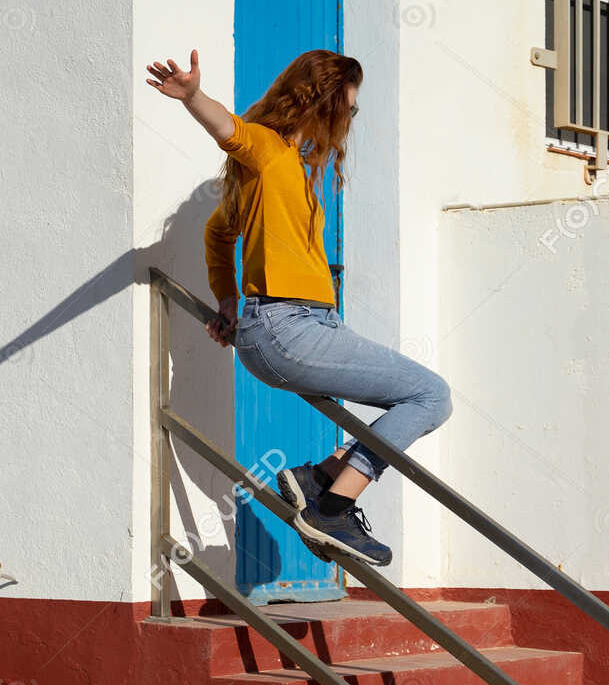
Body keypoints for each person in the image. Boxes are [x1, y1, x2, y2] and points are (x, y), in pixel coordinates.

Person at [144, 47, 452, 567]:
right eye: (347, 110)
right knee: (429, 395)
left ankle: (321, 477)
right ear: (321, 102)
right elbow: (230, 128)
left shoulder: (289, 173)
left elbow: (218, 234)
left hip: (297, 325)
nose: (348, 123)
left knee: (421, 398)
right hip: (287, 326)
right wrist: (194, 97)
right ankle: (332, 505)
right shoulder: (266, 151)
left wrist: (227, 302)